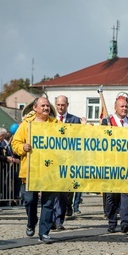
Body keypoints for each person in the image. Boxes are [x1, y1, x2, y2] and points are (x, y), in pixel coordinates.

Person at [11, 97, 59, 244]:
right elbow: (15, 143)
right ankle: (31, 221)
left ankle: (44, 233)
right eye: (43, 106)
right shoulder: (26, 125)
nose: (46, 108)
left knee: (48, 203)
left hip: (50, 171)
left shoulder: (56, 125)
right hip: (30, 171)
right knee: (30, 200)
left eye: (47, 106)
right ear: (35, 108)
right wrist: (23, 148)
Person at [101, 96, 128, 233]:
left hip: (127, 165)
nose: (124, 109)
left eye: (126, 107)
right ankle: (112, 222)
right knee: (111, 196)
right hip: (111, 165)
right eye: (121, 106)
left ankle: (125, 222)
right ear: (115, 107)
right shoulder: (106, 123)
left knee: (126, 195)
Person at [52, 95, 82, 230]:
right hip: (52, 162)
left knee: (63, 194)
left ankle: (59, 220)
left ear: (67, 105)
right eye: (58, 105)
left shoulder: (74, 120)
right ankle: (50, 219)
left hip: (68, 162)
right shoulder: (50, 120)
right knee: (51, 193)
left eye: (63, 105)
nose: (60, 107)